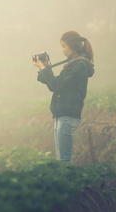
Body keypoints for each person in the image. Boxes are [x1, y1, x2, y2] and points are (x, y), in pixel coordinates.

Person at [32, 31, 94, 163]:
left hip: (68, 116)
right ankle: (66, 182)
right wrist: (45, 67)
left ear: (73, 46)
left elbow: (56, 84)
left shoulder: (78, 66)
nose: (63, 51)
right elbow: (55, 85)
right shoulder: (73, 64)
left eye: (64, 46)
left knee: (64, 159)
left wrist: (44, 68)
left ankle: (69, 183)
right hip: (62, 115)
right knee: (61, 158)